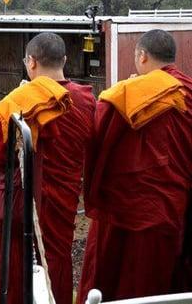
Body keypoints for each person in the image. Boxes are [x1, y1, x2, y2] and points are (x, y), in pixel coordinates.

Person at [0, 32, 95, 304]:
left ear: (31, 62)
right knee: (55, 264)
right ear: (64, 60)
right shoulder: (87, 102)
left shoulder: (19, 101)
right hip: (61, 207)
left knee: (9, 268)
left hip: (20, 207)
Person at [77, 29, 192, 303]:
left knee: (121, 283)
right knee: (164, 286)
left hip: (126, 211)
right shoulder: (187, 92)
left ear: (141, 56)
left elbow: (94, 141)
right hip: (175, 208)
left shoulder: (125, 94)